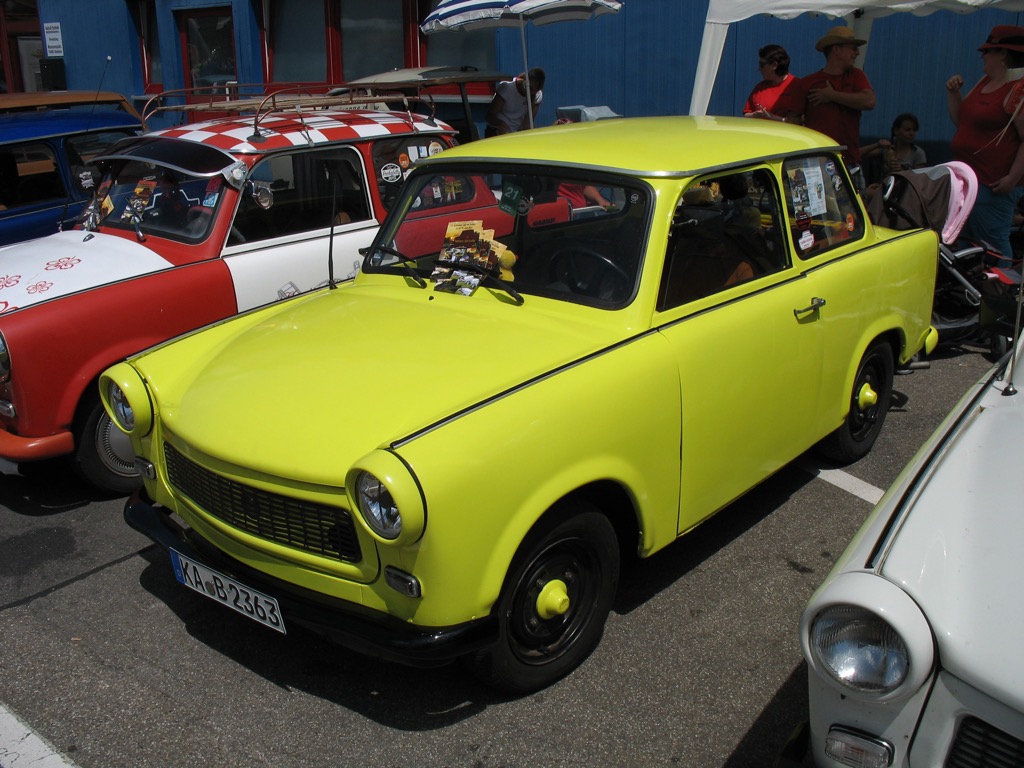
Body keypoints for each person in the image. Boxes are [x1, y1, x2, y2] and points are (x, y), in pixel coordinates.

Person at [946, 25, 1024, 265]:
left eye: (988, 51)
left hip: (991, 184)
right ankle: (973, 294)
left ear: (1003, 54)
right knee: (965, 242)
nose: (983, 55)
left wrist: (1012, 178)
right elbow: (961, 121)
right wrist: (954, 93)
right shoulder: (984, 82)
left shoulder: (1017, 89)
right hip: (968, 181)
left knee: (991, 244)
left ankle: (1002, 293)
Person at [778, 26, 876, 191]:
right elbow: (793, 122)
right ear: (836, 50)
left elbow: (870, 101)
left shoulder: (856, 76)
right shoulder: (807, 84)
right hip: (816, 163)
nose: (857, 53)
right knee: (821, 215)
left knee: (856, 213)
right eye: (853, 48)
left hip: (849, 161)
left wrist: (832, 96)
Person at [743, 45, 797, 121]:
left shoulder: (797, 86)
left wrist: (775, 119)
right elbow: (746, 113)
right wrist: (754, 115)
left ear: (774, 65)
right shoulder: (760, 88)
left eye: (762, 65)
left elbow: (802, 120)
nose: (759, 69)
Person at [862, 113, 928, 175]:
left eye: (914, 130)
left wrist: (901, 170)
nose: (912, 134)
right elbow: (858, 154)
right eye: (908, 130)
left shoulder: (918, 153)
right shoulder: (887, 150)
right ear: (896, 131)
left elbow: (919, 178)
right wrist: (876, 145)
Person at [486, 68, 545, 136]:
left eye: (535, 91)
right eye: (530, 89)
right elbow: (490, 116)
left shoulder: (537, 95)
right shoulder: (507, 88)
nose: (531, 93)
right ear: (525, 82)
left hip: (517, 133)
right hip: (496, 131)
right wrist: (501, 124)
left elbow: (527, 124)